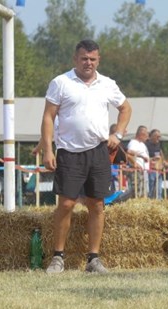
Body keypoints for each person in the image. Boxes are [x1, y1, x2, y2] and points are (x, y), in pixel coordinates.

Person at [40, 39, 132, 274]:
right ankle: (58, 258)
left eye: (92, 59)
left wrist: (118, 134)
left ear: (98, 60)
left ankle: (93, 259)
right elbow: (49, 116)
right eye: (84, 58)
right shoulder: (60, 83)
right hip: (69, 152)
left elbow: (126, 108)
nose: (88, 63)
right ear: (75, 59)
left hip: (99, 151)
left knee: (97, 204)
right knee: (66, 204)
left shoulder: (107, 84)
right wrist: (48, 149)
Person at [126, 125, 150, 197]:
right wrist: (138, 160)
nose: (147, 137)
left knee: (143, 190)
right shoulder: (133, 143)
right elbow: (129, 152)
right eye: (146, 135)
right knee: (137, 189)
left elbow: (144, 158)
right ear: (141, 134)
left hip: (143, 171)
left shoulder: (142, 144)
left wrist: (151, 159)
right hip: (137, 171)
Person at [145, 128, 163, 199]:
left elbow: (161, 154)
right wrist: (152, 159)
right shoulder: (146, 144)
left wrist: (163, 163)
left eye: (159, 136)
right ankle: (149, 200)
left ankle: (159, 200)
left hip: (158, 169)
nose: (159, 138)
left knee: (159, 188)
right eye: (157, 136)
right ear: (151, 136)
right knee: (150, 187)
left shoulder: (159, 144)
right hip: (150, 170)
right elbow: (144, 158)